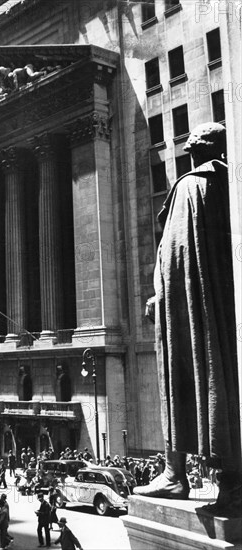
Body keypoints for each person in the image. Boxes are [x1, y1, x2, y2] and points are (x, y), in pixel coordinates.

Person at [134, 123, 242, 513]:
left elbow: (176, 255)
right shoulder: (231, 184)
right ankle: (230, 483)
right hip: (225, 311)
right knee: (222, 383)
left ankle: (174, 474)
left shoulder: (191, 187)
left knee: (183, 383)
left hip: (191, 313)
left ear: (197, 152)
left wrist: (160, 299)